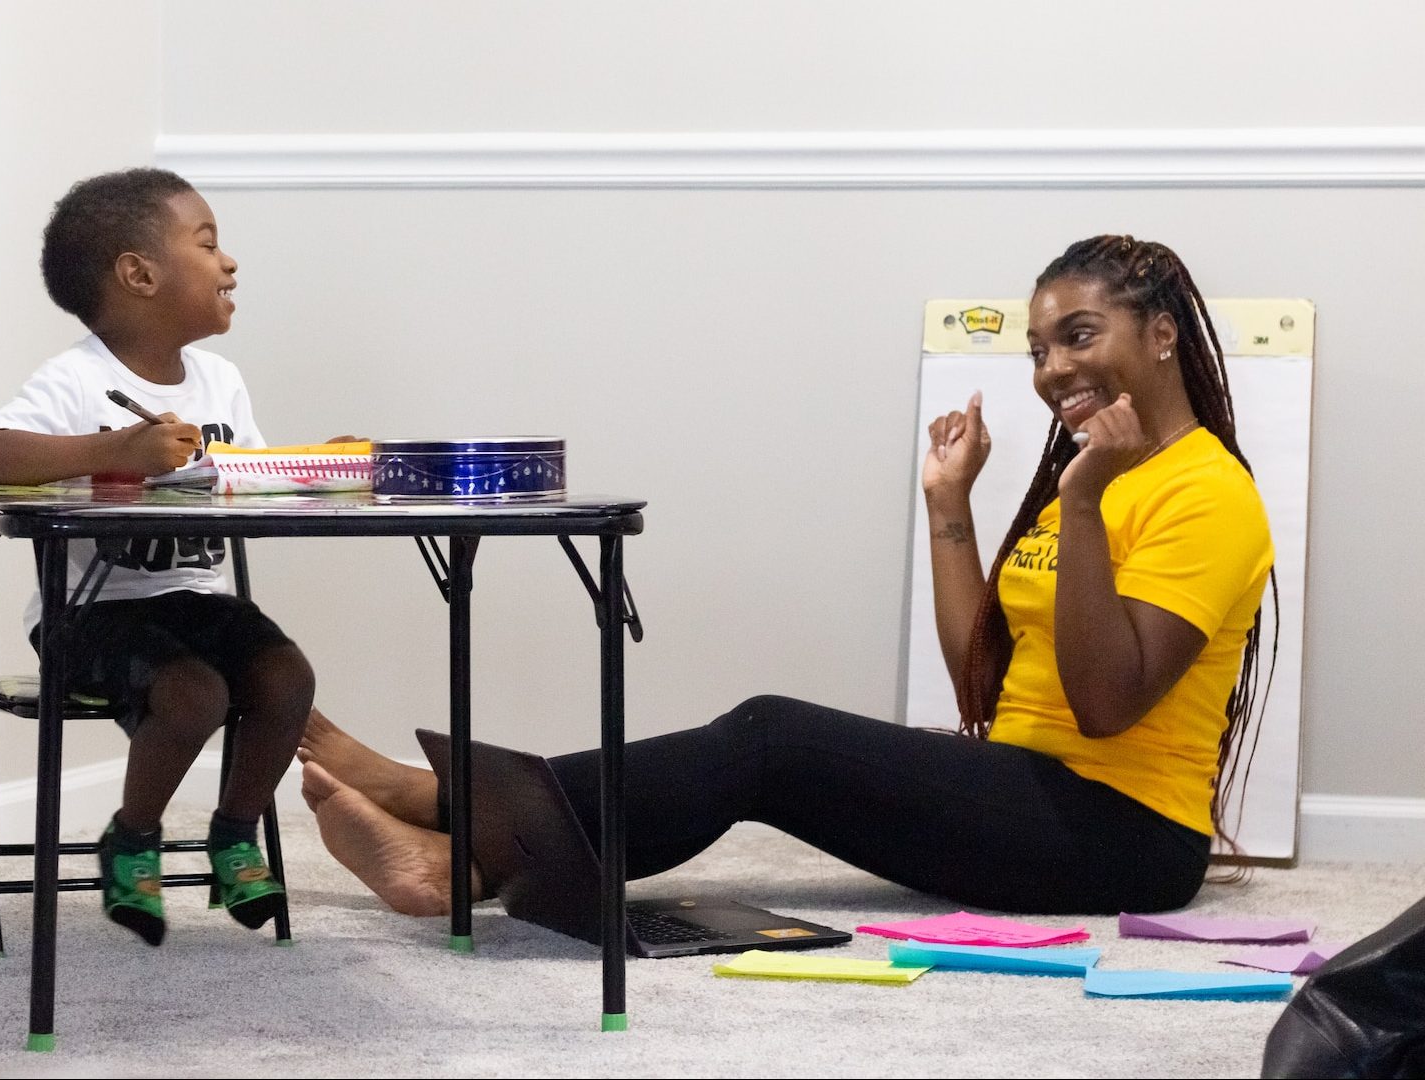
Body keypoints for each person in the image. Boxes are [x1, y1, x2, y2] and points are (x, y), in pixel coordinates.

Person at [299, 234, 1275, 917]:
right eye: (1037, 348)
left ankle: (447, 820)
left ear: (1161, 335)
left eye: (1078, 335)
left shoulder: (1205, 493)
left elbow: (1105, 709)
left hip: (1122, 837)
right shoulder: (1097, 481)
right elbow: (984, 683)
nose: (1052, 368)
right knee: (766, 757)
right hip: (1034, 791)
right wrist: (949, 507)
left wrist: (1090, 501)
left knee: (770, 737)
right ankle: (459, 840)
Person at [0, 167, 320, 945]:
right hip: (93, 614)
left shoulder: (220, 381)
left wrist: (308, 470)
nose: (229, 263)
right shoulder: (76, 379)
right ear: (139, 274)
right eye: (208, 243)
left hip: (198, 601)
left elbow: (251, 481)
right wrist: (118, 449)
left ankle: (234, 834)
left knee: (286, 677)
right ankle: (133, 837)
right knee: (192, 695)